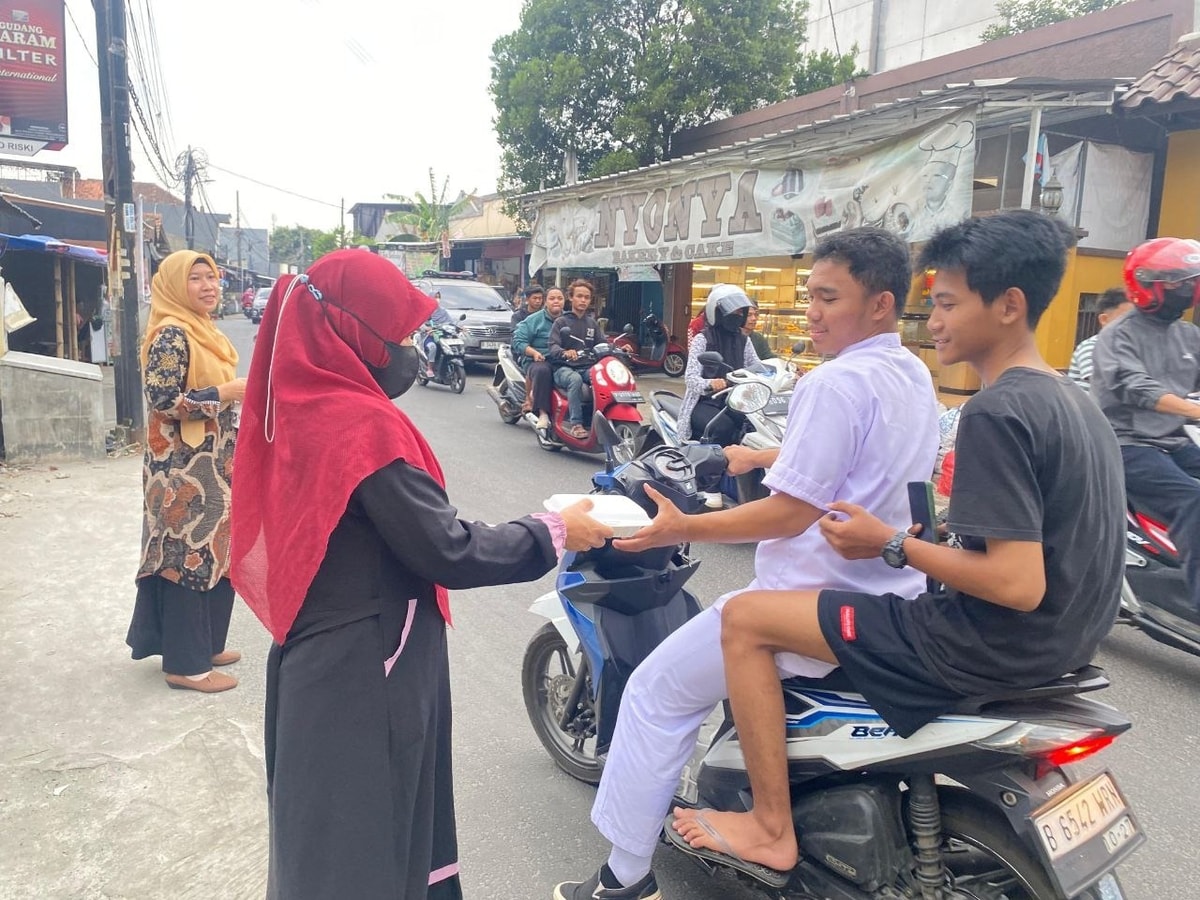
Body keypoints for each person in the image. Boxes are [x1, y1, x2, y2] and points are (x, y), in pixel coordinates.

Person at [677, 210, 1125, 878]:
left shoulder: (995, 412)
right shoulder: (1070, 398)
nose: (934, 320)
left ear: (1009, 306)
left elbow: (1016, 583)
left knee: (745, 620)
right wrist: (929, 537)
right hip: (1064, 645)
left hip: (985, 644)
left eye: (947, 303)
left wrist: (890, 544)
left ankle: (771, 828)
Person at [554, 228, 940, 900]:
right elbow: (863, 464)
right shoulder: (910, 372)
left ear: (879, 304)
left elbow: (788, 515)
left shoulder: (836, 382)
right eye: (809, 296)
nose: (813, 312)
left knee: (654, 691)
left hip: (809, 600)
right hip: (890, 594)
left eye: (829, 298)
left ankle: (624, 877)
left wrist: (682, 527)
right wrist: (763, 458)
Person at [228, 250, 611, 900]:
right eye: (398, 332)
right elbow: (448, 550)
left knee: (326, 841)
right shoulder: (359, 426)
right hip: (365, 668)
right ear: (354, 331)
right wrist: (553, 531)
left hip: (320, 657)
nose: (409, 348)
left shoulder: (300, 401)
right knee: (369, 845)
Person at [125, 251, 246, 694]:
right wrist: (225, 392)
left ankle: (206, 644)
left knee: (215, 551)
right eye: (195, 278)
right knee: (185, 553)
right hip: (180, 468)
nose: (208, 285)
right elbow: (163, 400)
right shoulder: (172, 334)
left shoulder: (204, 330)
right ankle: (186, 665)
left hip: (211, 463)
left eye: (211, 277)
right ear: (176, 285)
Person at [1092, 237, 1200, 626]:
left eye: (1190, 281)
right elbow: (1136, 387)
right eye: (1177, 283)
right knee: (1194, 500)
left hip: (1174, 441)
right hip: (1127, 444)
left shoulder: (1189, 335)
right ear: (1149, 284)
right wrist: (1191, 409)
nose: (1186, 290)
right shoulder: (1118, 335)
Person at [677, 284, 762, 444]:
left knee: (754, 425)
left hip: (736, 400)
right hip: (706, 401)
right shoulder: (702, 339)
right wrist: (711, 383)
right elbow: (690, 378)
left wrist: (779, 373)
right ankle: (711, 466)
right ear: (717, 312)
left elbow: (757, 365)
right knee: (723, 427)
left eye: (740, 312)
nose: (738, 315)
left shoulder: (744, 340)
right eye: (733, 311)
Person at [548, 278, 601, 439]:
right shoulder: (561, 322)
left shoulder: (592, 323)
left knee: (601, 378)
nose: (583, 300)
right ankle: (576, 424)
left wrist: (619, 348)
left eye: (586, 297)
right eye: (579, 296)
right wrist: (565, 352)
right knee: (575, 380)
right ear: (571, 298)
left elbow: (602, 344)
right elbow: (553, 346)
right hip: (563, 368)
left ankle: (598, 420)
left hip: (586, 367)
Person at [512, 285, 565, 428]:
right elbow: (518, 341)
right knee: (543, 371)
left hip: (562, 360)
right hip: (537, 360)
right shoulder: (534, 320)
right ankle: (543, 413)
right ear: (546, 302)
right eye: (552, 298)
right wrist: (534, 353)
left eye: (560, 298)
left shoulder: (568, 320)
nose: (556, 301)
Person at [1068, 287, 1133, 392]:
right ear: (1104, 319)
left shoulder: (1131, 348)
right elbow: (1106, 383)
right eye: (1126, 319)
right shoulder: (1092, 347)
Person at [421, 299, 456, 378]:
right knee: (432, 347)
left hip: (443, 336)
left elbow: (450, 322)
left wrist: (458, 328)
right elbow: (420, 323)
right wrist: (427, 328)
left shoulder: (443, 312)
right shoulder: (426, 311)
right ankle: (430, 368)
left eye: (438, 296)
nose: (437, 299)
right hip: (429, 336)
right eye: (435, 297)